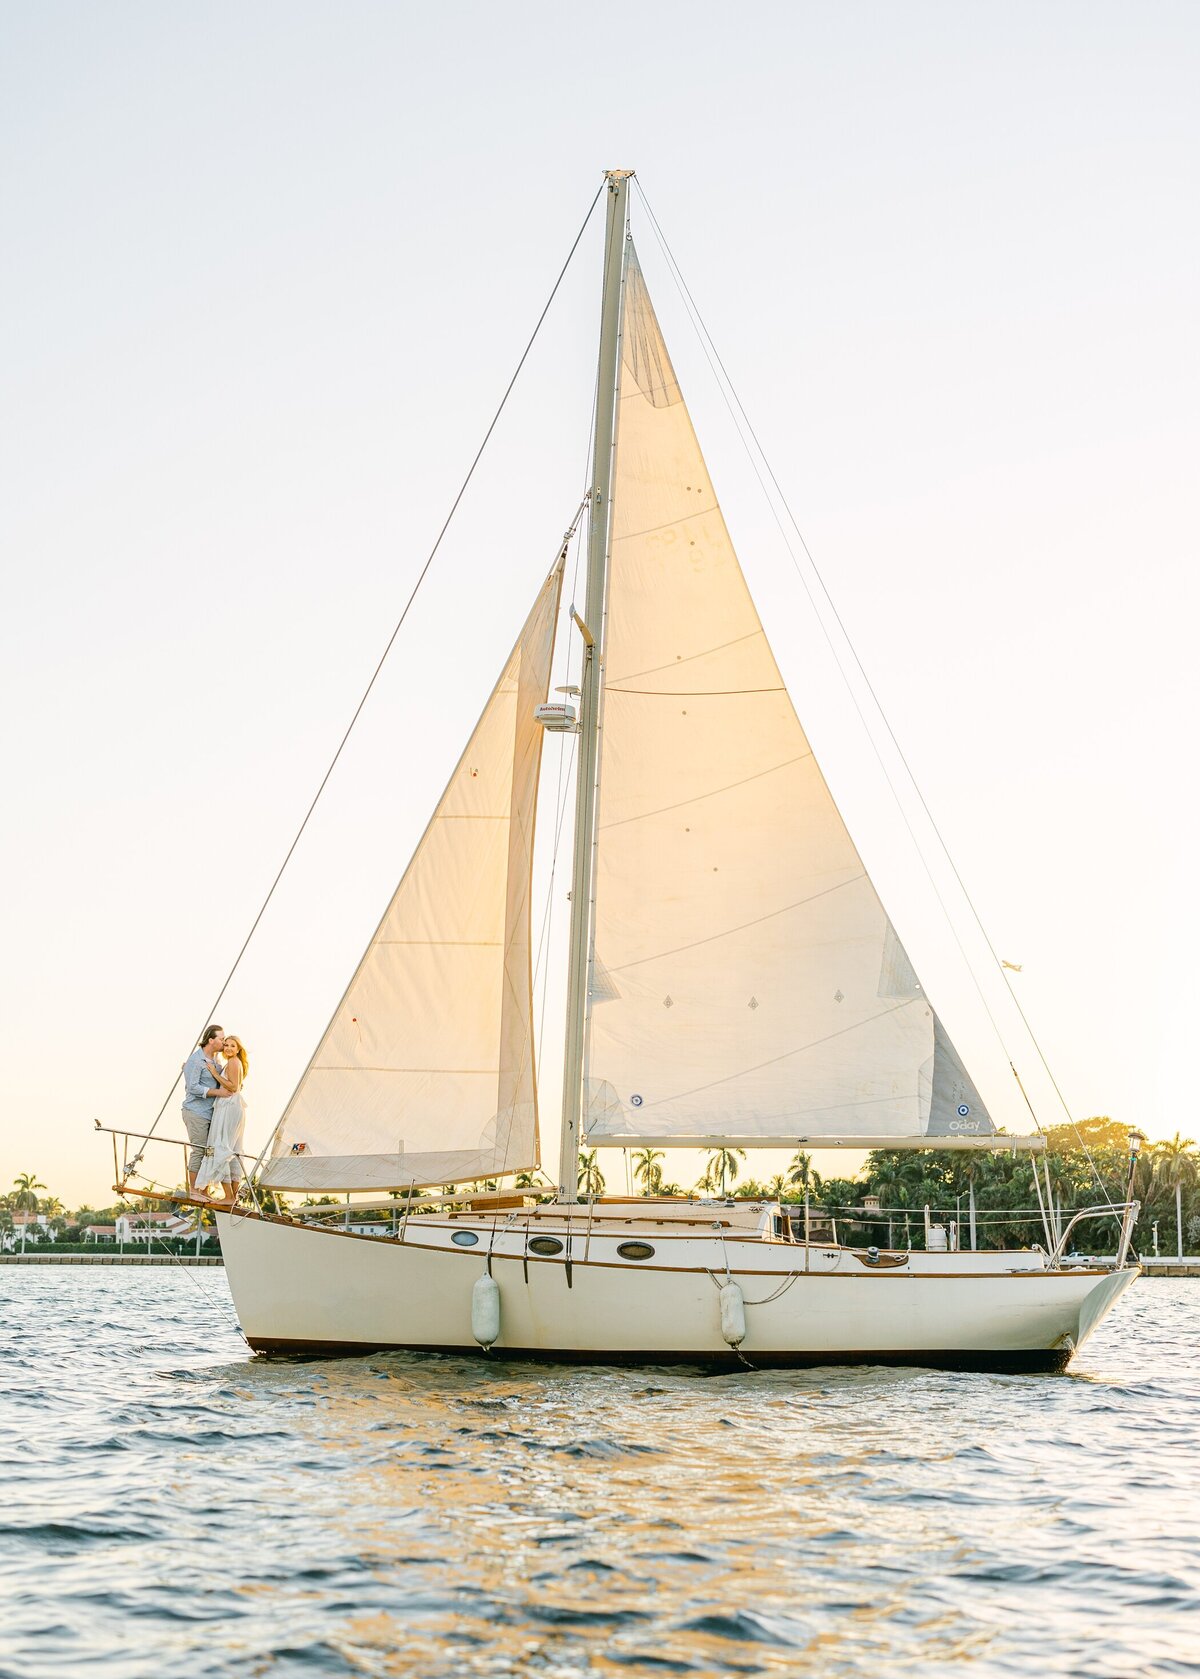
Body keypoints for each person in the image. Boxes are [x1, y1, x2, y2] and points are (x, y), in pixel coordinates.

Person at [195, 1035, 248, 1207]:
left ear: (238, 1049)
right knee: (233, 1149)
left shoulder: (233, 1062)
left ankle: (229, 1196)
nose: (228, 1049)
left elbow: (233, 1086)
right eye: (226, 1045)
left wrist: (214, 1073)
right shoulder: (234, 1063)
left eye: (232, 1046)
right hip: (232, 1105)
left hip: (228, 1105)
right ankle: (233, 1197)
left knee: (221, 1147)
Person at [181, 1026, 225, 1195]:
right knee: (199, 1150)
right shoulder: (195, 1060)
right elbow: (192, 1087)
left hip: (210, 1113)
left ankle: (203, 1191)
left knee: (209, 1152)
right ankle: (193, 1191)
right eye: (221, 1038)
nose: (224, 1041)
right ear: (211, 1040)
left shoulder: (216, 1061)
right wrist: (217, 1092)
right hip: (195, 1112)